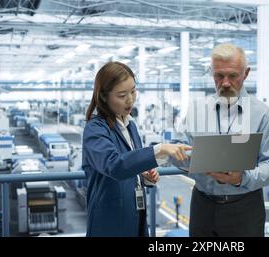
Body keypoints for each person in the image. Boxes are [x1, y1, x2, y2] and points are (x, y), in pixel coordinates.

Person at [82, 61, 191, 237]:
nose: (130, 99)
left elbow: (130, 164)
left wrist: (143, 176)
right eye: (122, 95)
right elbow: (115, 166)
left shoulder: (130, 125)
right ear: (104, 97)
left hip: (135, 219)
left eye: (133, 91)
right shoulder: (95, 129)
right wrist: (159, 149)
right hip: (109, 224)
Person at [184, 43, 269, 237]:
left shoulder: (264, 116)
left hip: (244, 208)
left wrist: (242, 178)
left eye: (233, 76)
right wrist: (186, 159)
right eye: (219, 76)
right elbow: (179, 149)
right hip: (202, 204)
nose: (226, 83)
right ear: (212, 73)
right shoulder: (197, 110)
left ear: (245, 74)